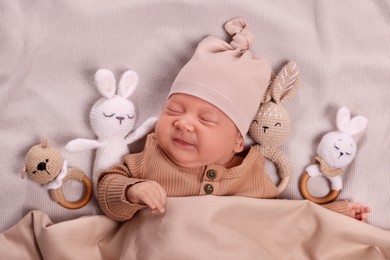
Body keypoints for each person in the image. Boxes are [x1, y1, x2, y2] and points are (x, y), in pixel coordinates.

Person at [97, 18, 370, 222]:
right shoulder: (149, 158)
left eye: (206, 119)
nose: (183, 123)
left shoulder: (251, 177)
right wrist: (132, 190)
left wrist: (332, 216)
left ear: (238, 140)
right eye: (174, 111)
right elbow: (108, 192)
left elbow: (280, 221)